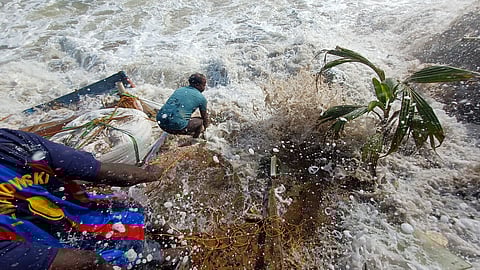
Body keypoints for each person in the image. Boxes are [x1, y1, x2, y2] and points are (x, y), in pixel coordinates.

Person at [0, 128, 187, 270]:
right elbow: (102, 172)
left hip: (72, 232)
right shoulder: (12, 142)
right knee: (173, 251)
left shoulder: (12, 141)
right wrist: (149, 174)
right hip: (78, 245)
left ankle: (167, 248)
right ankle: (166, 255)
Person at [156, 73, 209, 139]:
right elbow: (205, 118)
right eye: (204, 85)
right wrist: (206, 129)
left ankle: (173, 127)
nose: (204, 87)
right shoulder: (202, 98)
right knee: (200, 121)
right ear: (197, 85)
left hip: (160, 122)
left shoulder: (179, 90)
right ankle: (195, 140)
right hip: (176, 127)